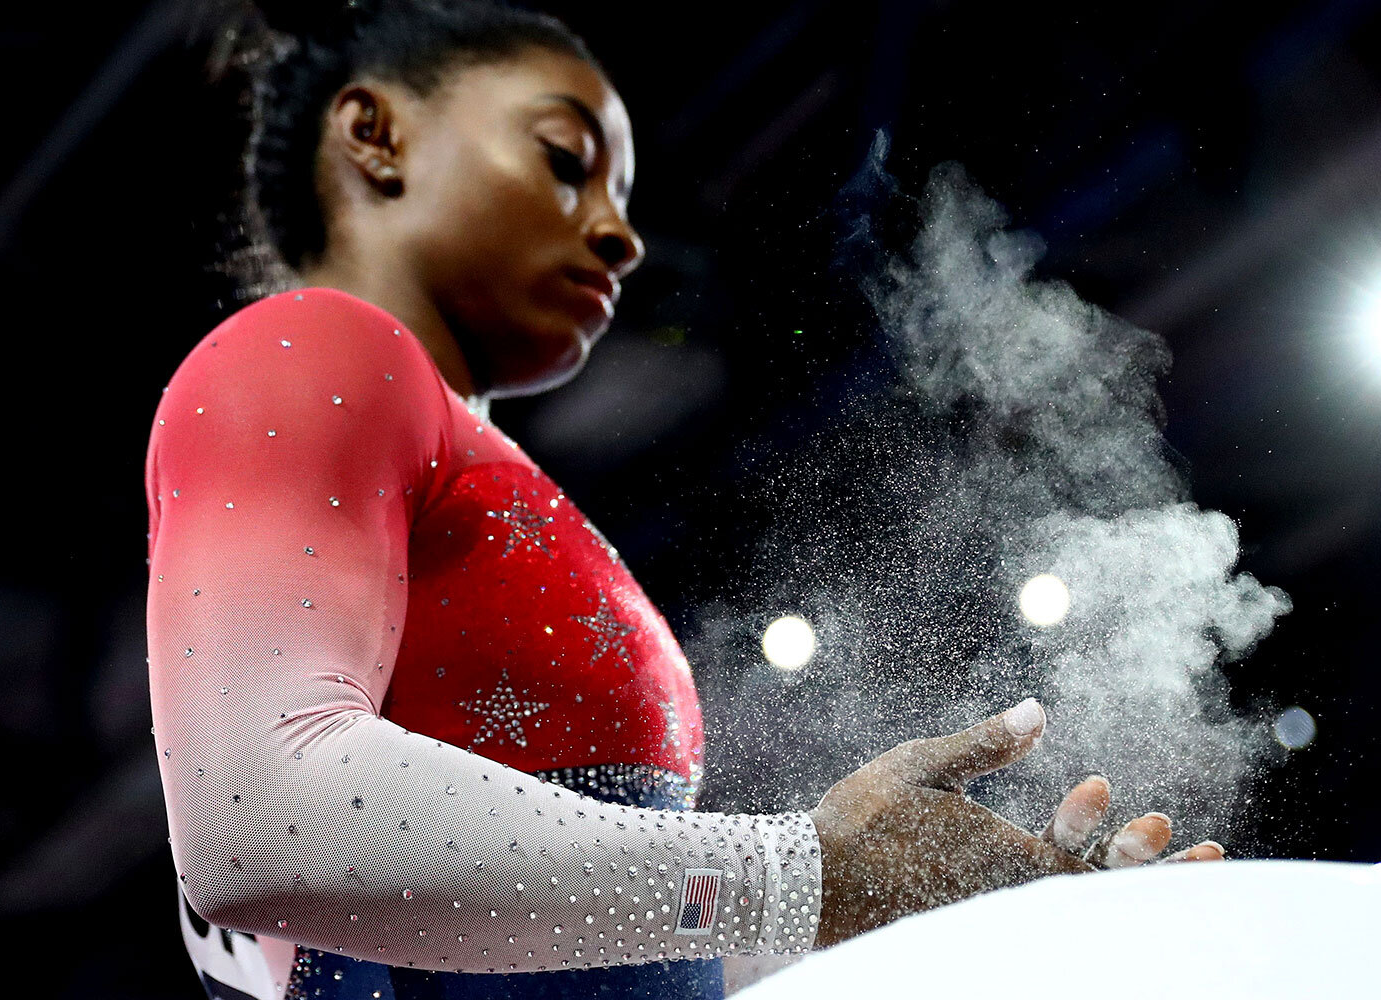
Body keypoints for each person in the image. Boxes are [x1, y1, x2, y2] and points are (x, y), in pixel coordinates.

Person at [145, 2, 1225, 999]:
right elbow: (259, 816)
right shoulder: (316, 350)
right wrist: (802, 870)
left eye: (621, 196)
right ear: (374, 132)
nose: (620, 235)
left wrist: (948, 931)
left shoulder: (469, 464)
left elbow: (640, 948)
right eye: (567, 159)